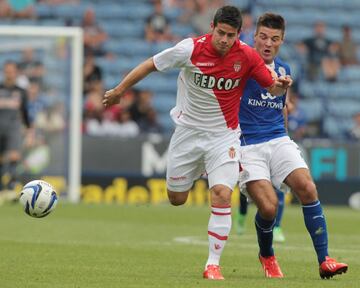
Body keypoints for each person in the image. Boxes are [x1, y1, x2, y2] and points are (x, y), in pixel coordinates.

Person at [103, 6, 291, 280]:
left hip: (223, 136)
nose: (225, 40)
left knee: (222, 194)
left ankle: (212, 265)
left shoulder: (247, 56)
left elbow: (270, 87)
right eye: (221, 33)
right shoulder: (189, 49)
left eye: (231, 35)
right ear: (212, 27)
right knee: (176, 199)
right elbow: (149, 64)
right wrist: (120, 91)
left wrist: (281, 86)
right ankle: (201, 174)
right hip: (188, 134)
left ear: (239, 35)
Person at [238, 12, 348, 279]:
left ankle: (325, 260)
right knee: (268, 208)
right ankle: (267, 254)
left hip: (278, 139)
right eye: (263, 37)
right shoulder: (239, 64)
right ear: (254, 37)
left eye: (274, 39)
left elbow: (281, 107)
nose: (268, 43)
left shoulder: (285, 69)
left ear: (282, 41)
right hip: (247, 145)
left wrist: (285, 142)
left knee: (308, 187)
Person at [0, 61, 33, 198]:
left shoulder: (21, 91)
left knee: (14, 155)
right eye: (7, 71)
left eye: (11, 71)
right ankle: (2, 188)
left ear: (16, 73)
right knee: (1, 159)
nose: (9, 74)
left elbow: (25, 112)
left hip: (13, 127)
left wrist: (29, 130)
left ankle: (12, 186)